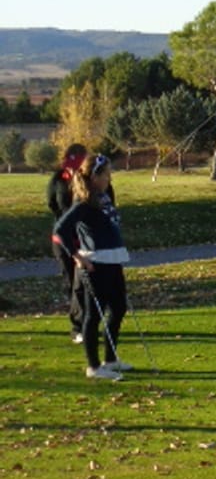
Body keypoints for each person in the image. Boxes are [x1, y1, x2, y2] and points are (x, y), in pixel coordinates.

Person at [52, 154, 133, 380]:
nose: (110, 177)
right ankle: (94, 366)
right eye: (106, 173)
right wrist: (77, 256)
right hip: (95, 263)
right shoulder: (84, 203)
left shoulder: (104, 197)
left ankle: (111, 359)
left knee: (118, 308)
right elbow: (60, 230)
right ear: (95, 176)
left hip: (113, 260)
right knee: (93, 315)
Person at [46, 142, 88, 343]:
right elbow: (52, 203)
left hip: (86, 239)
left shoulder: (90, 179)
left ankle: (86, 322)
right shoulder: (58, 178)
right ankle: (78, 326)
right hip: (63, 239)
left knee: (86, 282)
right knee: (73, 282)